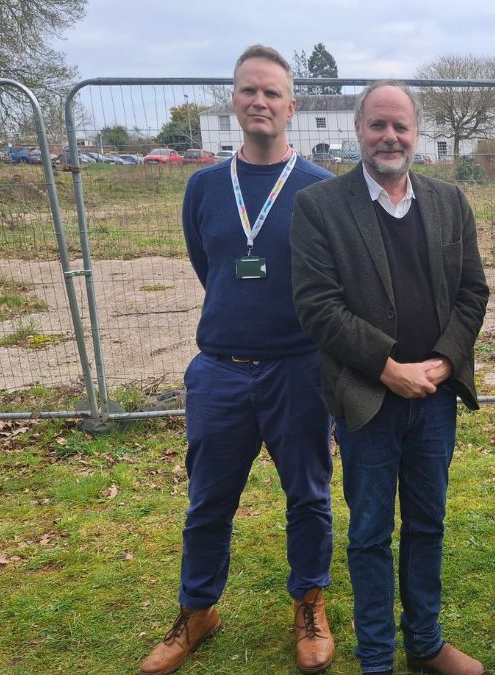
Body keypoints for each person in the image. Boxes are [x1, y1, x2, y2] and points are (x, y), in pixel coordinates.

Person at [139, 45, 338, 675]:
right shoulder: (203, 186)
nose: (260, 101)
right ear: (234, 100)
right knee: (208, 500)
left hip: (299, 370)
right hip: (220, 369)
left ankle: (309, 604)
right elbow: (210, 265)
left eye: (272, 93)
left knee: (307, 495)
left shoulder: (320, 191)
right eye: (249, 91)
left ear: (291, 106)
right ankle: (198, 611)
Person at [290, 81, 490, 675]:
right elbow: (317, 306)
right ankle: (376, 657)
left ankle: (425, 643)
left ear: (417, 132)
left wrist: (448, 360)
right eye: (378, 125)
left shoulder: (449, 201)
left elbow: (473, 292)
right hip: (367, 399)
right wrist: (386, 368)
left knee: (427, 523)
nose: (390, 137)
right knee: (371, 532)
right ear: (358, 130)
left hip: (434, 397)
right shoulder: (321, 206)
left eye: (400, 126)